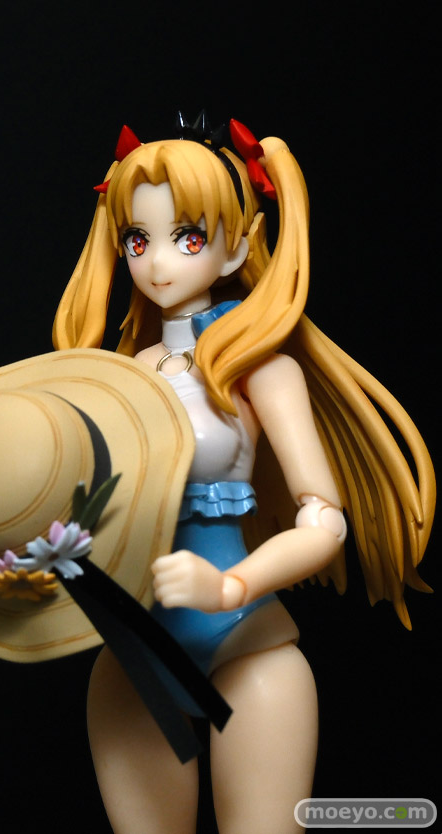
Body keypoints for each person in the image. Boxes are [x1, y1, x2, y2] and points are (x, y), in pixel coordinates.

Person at [52, 116, 435, 834]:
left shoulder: (258, 368)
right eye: (138, 240)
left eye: (188, 238)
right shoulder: (120, 374)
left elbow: (324, 518)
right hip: (135, 653)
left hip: (246, 643)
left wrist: (232, 586)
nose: (158, 263)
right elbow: (91, 507)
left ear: (238, 244)